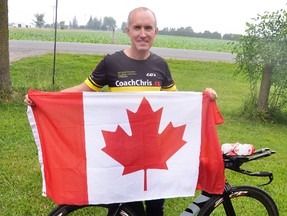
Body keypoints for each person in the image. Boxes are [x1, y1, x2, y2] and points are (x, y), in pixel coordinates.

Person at [25, 6, 218, 216]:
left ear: (156, 32)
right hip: (121, 153)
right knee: (123, 210)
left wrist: (203, 98)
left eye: (148, 28)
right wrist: (43, 99)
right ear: (127, 30)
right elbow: (83, 91)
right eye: (137, 27)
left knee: (155, 209)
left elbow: (178, 101)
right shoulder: (112, 62)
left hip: (154, 153)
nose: (142, 33)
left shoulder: (160, 65)